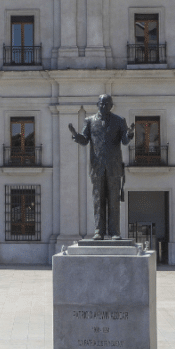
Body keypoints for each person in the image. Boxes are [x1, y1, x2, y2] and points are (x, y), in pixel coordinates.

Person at [68, 94, 134, 240]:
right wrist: (76, 135)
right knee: (98, 200)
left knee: (114, 201)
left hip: (114, 167)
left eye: (107, 104)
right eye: (101, 104)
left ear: (111, 106)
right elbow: (85, 140)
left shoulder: (119, 121)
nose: (104, 106)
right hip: (97, 168)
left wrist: (129, 134)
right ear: (97, 105)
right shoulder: (89, 121)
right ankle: (99, 231)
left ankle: (115, 232)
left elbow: (124, 141)